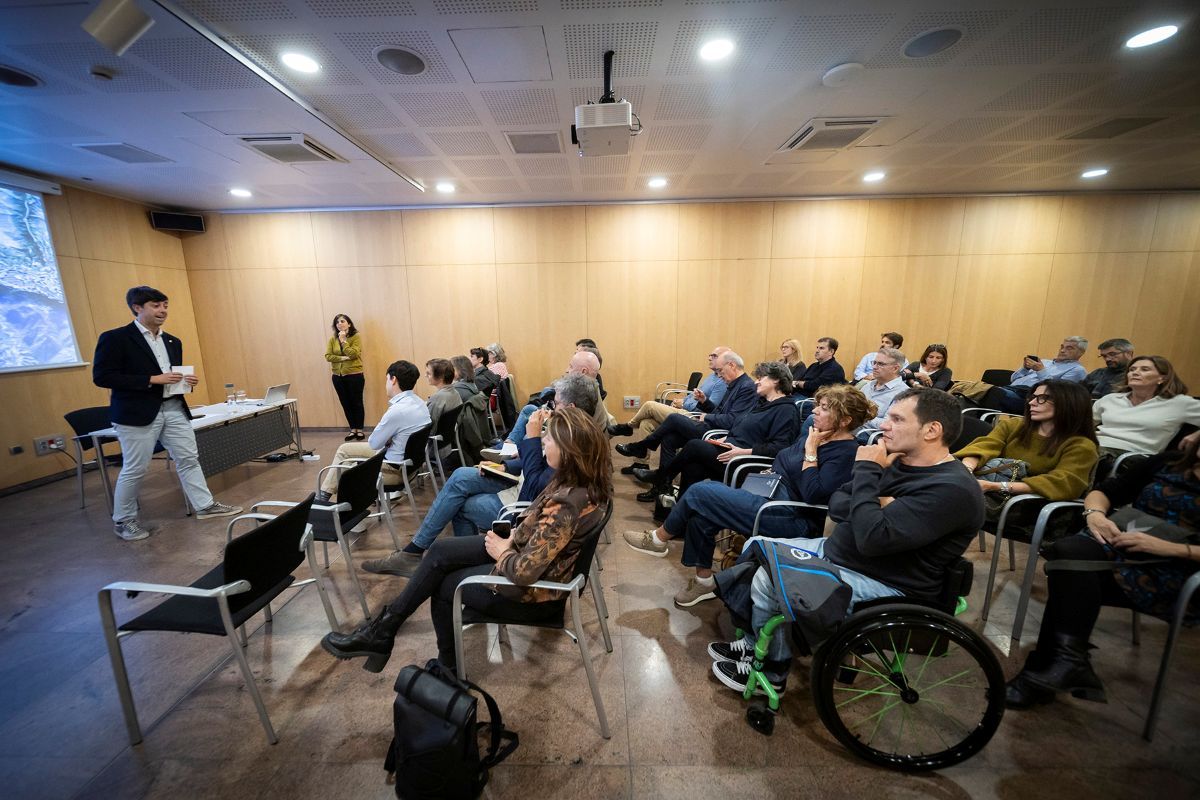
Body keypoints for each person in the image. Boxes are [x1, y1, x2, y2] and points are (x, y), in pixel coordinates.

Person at [708, 388, 984, 694]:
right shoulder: (898, 462)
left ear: (932, 430)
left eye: (896, 419)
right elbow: (838, 504)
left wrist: (868, 472)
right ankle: (752, 644)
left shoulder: (951, 489)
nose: (883, 425)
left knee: (771, 580)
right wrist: (879, 500)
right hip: (843, 554)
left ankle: (771, 673)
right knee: (756, 546)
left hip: (885, 581)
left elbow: (870, 538)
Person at [321, 406, 613, 673]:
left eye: (549, 440)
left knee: (446, 585)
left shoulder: (570, 502)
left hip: (533, 593)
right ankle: (382, 631)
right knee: (440, 551)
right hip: (525, 552)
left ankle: (443, 667)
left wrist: (503, 551)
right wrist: (513, 537)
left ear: (569, 449)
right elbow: (540, 525)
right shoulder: (575, 481)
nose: (542, 442)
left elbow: (525, 573)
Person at [624, 384, 874, 608]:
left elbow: (814, 494)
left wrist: (810, 453)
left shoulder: (846, 451)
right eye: (817, 406)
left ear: (845, 420)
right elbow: (784, 458)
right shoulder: (817, 434)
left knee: (701, 492)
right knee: (701, 516)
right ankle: (704, 582)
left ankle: (658, 539)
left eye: (824, 408)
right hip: (770, 492)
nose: (814, 412)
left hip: (791, 515)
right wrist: (785, 466)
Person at [1004, 436, 1200, 709]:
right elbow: (1107, 491)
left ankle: (1044, 671)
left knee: (1071, 573)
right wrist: (1095, 514)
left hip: (1176, 572)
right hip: (1124, 547)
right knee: (1069, 553)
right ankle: (1067, 662)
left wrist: (1170, 548)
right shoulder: (1169, 463)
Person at [362, 374, 600, 576]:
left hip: (523, 506)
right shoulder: (573, 431)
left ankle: (451, 563)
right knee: (461, 475)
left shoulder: (574, 443)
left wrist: (532, 437)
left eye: (555, 403)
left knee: (460, 504)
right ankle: (420, 553)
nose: (550, 408)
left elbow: (537, 487)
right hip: (519, 483)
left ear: (570, 408)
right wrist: (504, 467)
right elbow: (537, 464)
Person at [92, 286, 242, 541]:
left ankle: (204, 506)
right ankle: (124, 520)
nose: (163, 311)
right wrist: (152, 379)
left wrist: (185, 381)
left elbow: (170, 376)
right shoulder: (116, 338)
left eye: (165, 305)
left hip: (173, 407)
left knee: (188, 459)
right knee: (136, 467)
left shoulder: (172, 340)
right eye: (156, 305)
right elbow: (102, 376)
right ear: (137, 308)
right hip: (136, 413)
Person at [629, 361, 799, 500]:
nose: (756, 381)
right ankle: (681, 520)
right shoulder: (761, 403)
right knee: (692, 465)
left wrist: (742, 451)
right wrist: (727, 439)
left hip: (744, 463)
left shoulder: (786, 410)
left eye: (761, 378)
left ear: (776, 380)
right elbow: (738, 426)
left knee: (695, 445)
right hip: (728, 451)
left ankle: (661, 476)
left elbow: (780, 448)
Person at [956, 380, 1099, 512]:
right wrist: (967, 469)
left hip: (1029, 504)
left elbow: (1062, 483)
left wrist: (995, 486)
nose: (1032, 402)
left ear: (1068, 403)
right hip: (990, 489)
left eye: (1042, 398)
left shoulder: (1082, 445)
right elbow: (984, 447)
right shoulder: (1014, 425)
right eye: (1033, 397)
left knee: (949, 496)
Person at [615, 351, 758, 469]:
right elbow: (719, 411)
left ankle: (641, 446)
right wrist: (704, 402)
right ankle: (663, 486)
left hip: (716, 432)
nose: (719, 375)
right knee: (668, 439)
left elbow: (733, 420)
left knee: (673, 418)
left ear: (732, 365)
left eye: (721, 371)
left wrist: (706, 417)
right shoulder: (734, 383)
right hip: (709, 424)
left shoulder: (746, 387)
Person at [315, 360, 431, 502]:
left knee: (347, 467)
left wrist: (388, 437)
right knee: (345, 450)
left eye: (386, 379)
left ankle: (322, 500)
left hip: (393, 471)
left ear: (393, 379)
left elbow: (374, 443)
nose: (386, 384)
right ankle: (322, 499)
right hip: (410, 466)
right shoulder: (420, 403)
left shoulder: (397, 411)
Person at [484, 349, 605, 457]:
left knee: (529, 431)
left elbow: (570, 428)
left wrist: (533, 439)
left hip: (561, 434)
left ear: (583, 371)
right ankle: (509, 445)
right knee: (529, 410)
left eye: (571, 366)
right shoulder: (586, 389)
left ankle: (511, 450)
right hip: (561, 428)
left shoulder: (586, 396)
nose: (567, 370)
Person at [610, 346, 730, 438]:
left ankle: (628, 426)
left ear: (724, 358)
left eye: (714, 356)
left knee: (649, 405)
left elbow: (710, 409)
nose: (709, 358)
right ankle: (641, 464)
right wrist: (682, 400)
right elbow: (694, 396)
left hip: (693, 418)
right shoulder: (712, 376)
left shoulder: (722, 382)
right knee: (646, 424)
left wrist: (683, 404)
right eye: (710, 355)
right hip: (684, 410)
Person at [1093, 355, 1200, 456]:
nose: (1135, 373)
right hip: (1096, 446)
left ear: (1162, 378)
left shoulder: (1178, 403)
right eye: (1132, 370)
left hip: (1134, 456)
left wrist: (1197, 434)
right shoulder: (1111, 399)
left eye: (1144, 369)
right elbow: (1082, 423)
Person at [985, 337, 1089, 413]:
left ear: (1081, 352)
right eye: (1062, 347)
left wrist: (1041, 371)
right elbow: (1013, 379)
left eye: (1069, 348)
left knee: (990, 392)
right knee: (977, 391)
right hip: (1012, 390)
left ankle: (984, 427)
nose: (1062, 350)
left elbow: (1057, 392)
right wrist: (1025, 368)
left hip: (1032, 399)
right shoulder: (1044, 362)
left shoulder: (1077, 370)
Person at [325, 313, 365, 441]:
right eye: (337, 322)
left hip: (354, 375)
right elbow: (328, 356)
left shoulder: (355, 337)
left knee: (357, 403)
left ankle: (359, 429)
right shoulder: (332, 339)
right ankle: (352, 429)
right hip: (338, 376)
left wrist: (343, 341)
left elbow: (353, 354)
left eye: (342, 321)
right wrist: (342, 358)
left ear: (349, 324)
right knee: (345, 403)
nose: (339, 324)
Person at [423, 358, 462, 459]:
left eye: (429, 373)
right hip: (447, 442)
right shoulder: (455, 393)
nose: (425, 376)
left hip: (434, 446)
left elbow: (427, 429)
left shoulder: (437, 398)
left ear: (440, 377)